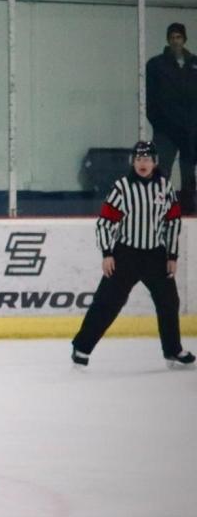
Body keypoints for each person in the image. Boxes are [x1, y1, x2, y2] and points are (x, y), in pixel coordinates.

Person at [71, 141, 193, 369]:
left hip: (156, 256)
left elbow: (172, 222)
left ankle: (173, 350)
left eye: (147, 159)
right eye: (138, 159)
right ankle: (81, 347)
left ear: (155, 162)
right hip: (125, 255)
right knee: (107, 302)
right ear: (133, 162)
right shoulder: (122, 187)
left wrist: (172, 255)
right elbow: (105, 223)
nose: (142, 163)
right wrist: (107, 253)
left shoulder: (165, 188)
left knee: (169, 301)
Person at [145, 22, 197, 215]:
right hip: (166, 129)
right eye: (172, 37)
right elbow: (150, 99)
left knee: (188, 173)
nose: (176, 41)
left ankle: (189, 211)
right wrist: (160, 124)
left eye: (179, 37)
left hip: (189, 130)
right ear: (168, 40)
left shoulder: (194, 63)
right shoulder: (156, 65)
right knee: (162, 171)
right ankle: (159, 209)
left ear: (184, 39)